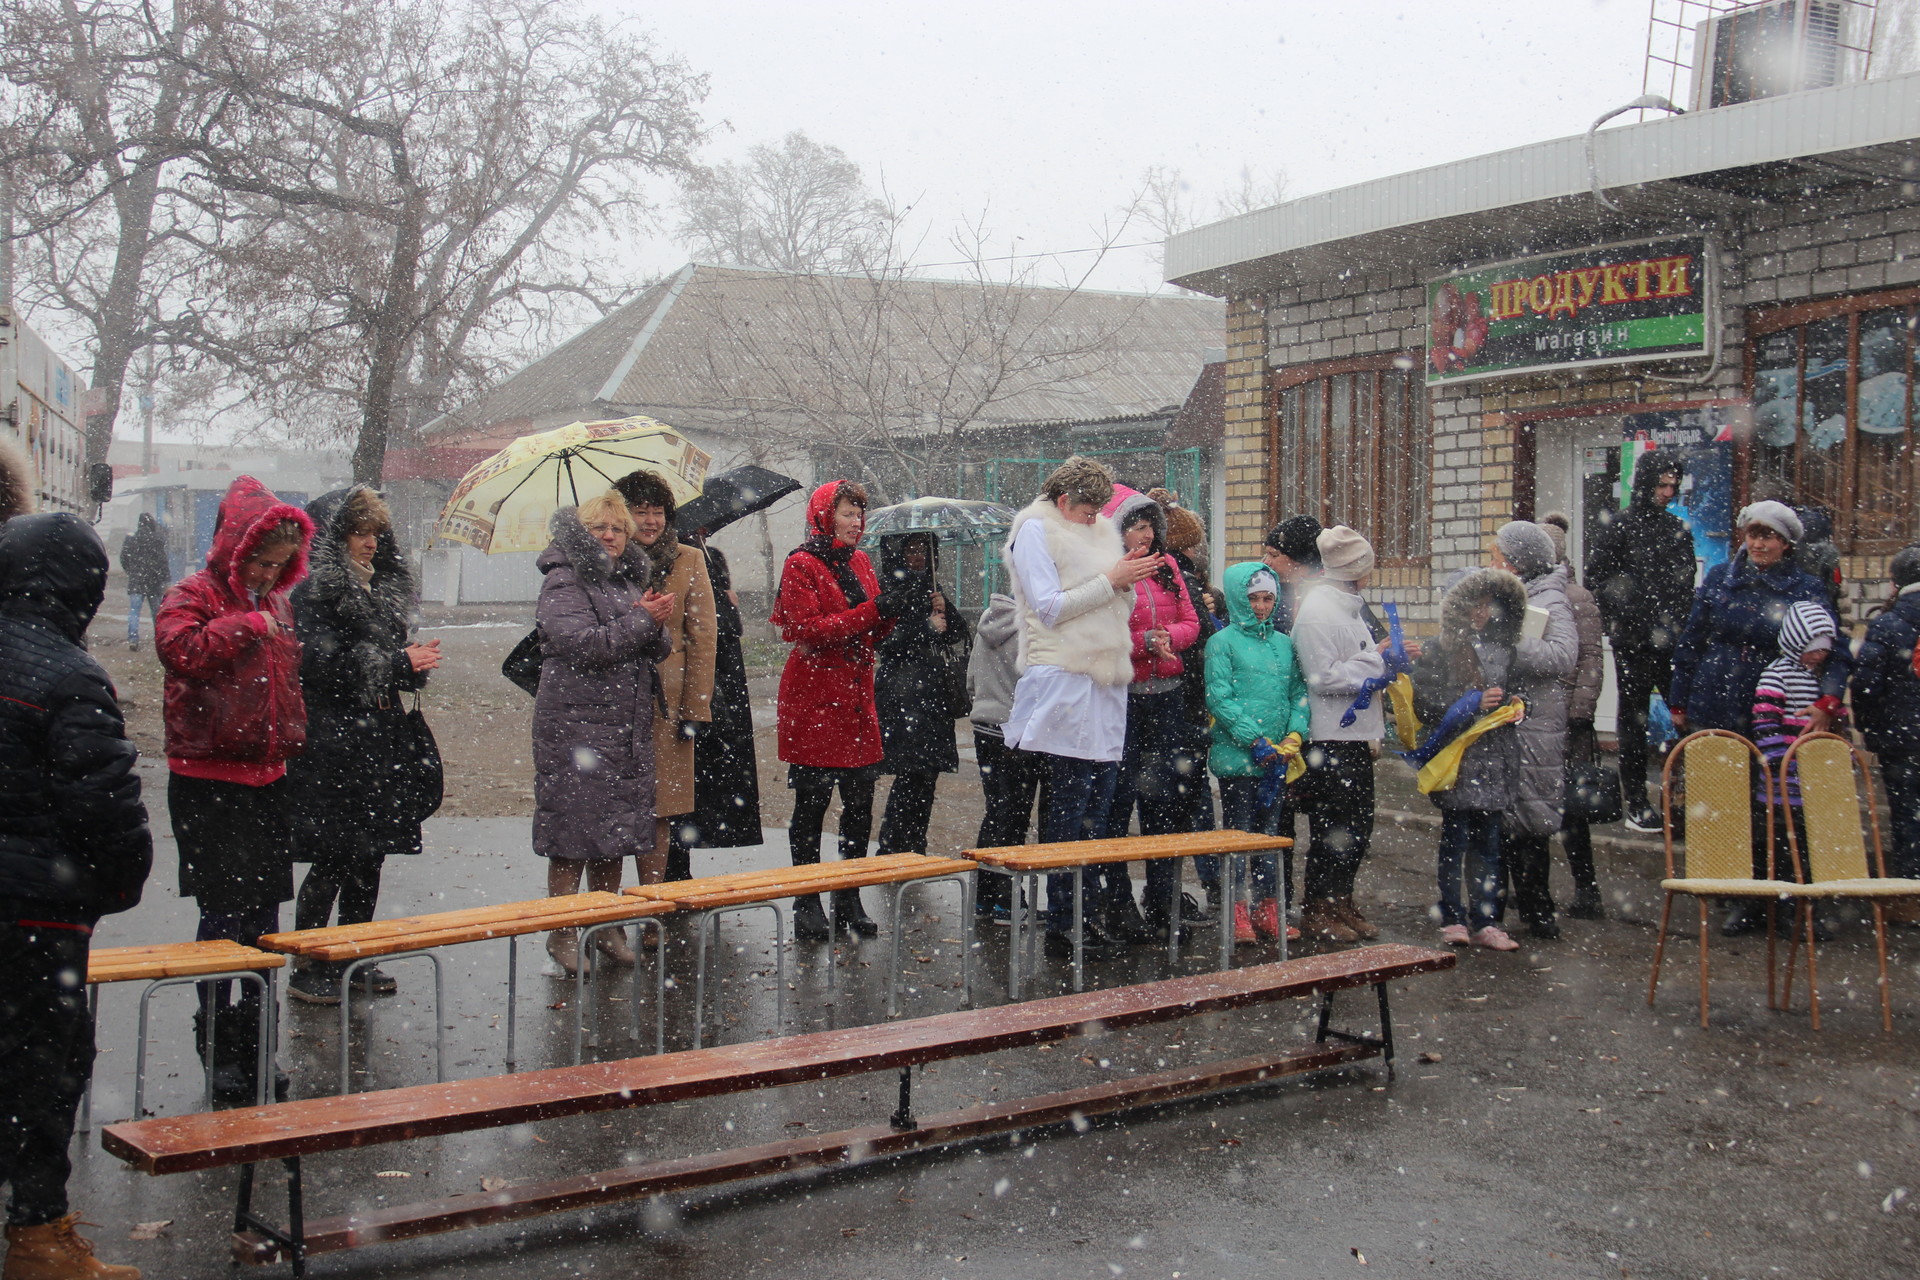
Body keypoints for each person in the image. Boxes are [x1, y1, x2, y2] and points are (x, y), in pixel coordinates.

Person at [0, 512, 152, 1280]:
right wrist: (117, 884)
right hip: (35, 913)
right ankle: (37, 1236)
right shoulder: (66, 674)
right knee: (44, 1071)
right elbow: (104, 804)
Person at [155, 475, 312, 1103]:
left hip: (268, 780)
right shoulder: (193, 593)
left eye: (279, 565)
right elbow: (180, 649)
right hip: (208, 785)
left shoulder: (279, 603)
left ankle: (257, 1043)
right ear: (232, 549)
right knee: (221, 921)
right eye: (259, 561)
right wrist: (245, 624)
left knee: (263, 922)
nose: (268, 575)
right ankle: (219, 1048)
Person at [285, 487, 442, 1005]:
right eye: (358, 531)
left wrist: (412, 662)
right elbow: (318, 665)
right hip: (334, 744)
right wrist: (399, 664)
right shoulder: (314, 593)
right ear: (334, 537)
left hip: (380, 740)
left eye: (376, 531)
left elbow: (377, 661)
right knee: (333, 855)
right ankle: (310, 960)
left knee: (370, 856)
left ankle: (356, 952)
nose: (370, 542)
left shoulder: (380, 590)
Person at [1002, 456, 1159, 962]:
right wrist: (1112, 579)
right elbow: (1048, 607)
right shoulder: (1034, 530)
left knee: (1102, 806)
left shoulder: (1101, 531)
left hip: (1106, 680)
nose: (1094, 522)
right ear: (1064, 501)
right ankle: (1063, 918)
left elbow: (1115, 605)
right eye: (1087, 512)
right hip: (1065, 678)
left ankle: (1091, 910)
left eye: (1099, 514)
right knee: (1069, 809)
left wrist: (1126, 583)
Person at [1668, 501, 1849, 935]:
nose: (1758, 543)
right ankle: (1743, 897)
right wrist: (1679, 698)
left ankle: (1791, 897)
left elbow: (1835, 650)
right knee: (1730, 801)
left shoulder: (1805, 588)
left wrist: (1828, 702)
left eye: (1768, 536)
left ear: (1786, 544)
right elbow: (1692, 639)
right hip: (1720, 695)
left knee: (1784, 803)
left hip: (1780, 702)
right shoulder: (1720, 580)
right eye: (1752, 534)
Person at [531, 494, 674, 974]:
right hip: (576, 724)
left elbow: (650, 647)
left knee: (616, 830)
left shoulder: (627, 578)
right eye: (599, 528)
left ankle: (606, 923)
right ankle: (563, 931)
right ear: (580, 533)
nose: (610, 536)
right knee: (573, 830)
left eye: (617, 527)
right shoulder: (563, 579)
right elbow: (582, 645)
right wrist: (640, 620)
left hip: (623, 723)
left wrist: (653, 622)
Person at [773, 480, 905, 943]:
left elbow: (870, 632)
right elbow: (808, 629)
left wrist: (894, 609)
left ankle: (849, 896)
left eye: (860, 514)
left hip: (855, 699)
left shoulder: (862, 561)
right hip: (815, 698)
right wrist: (874, 611)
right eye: (848, 513)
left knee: (860, 805)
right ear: (825, 516)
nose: (856, 523)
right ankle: (807, 898)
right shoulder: (800, 565)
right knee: (811, 805)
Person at [1099, 487, 1201, 942]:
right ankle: (1117, 902)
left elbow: (1191, 621)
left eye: (1150, 526)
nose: (1145, 534)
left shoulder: (1170, 567)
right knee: (1118, 801)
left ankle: (1164, 899)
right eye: (1136, 526)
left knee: (1165, 803)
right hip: (1127, 697)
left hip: (1169, 695)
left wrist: (1170, 639)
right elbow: (1105, 630)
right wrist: (1143, 644)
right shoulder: (1111, 573)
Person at [1410, 567, 1528, 952]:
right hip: (1458, 762)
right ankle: (1453, 917)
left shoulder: (1506, 648)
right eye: (1474, 606)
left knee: (1490, 846)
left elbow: (1523, 690)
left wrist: (1518, 706)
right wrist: (1470, 704)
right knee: (1455, 842)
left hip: (1495, 759)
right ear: (1458, 608)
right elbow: (1425, 704)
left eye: (1487, 605)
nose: (1481, 613)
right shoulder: (1439, 651)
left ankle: (1487, 919)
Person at [612, 470, 716, 882]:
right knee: (614, 807)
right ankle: (610, 914)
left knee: (662, 809)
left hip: (667, 706)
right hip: (614, 700)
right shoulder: (606, 562)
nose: (650, 521)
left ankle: (652, 903)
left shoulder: (688, 559)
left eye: (658, 512)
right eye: (640, 511)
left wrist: (695, 708)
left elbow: (703, 639)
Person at [1584, 450, 1695, 832]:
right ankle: (1636, 800)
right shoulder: (1619, 526)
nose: (1667, 492)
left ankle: (1685, 799)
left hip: (1673, 644)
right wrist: (1627, 617)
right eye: (1661, 485)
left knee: (1688, 718)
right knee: (1633, 721)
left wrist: (1680, 628)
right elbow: (1596, 580)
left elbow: (1685, 587)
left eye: (1672, 486)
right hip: (1633, 641)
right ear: (1645, 483)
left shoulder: (1676, 529)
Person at [1290, 526, 1388, 944]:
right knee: (1334, 828)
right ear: (1356, 570)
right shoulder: (1318, 610)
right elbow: (1322, 675)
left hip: (1354, 734)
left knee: (1357, 827)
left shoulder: (1349, 605)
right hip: (1329, 737)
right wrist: (1377, 662)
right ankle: (1318, 907)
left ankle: (1341, 900)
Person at [1206, 563, 1311, 945]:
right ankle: (1236, 910)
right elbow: (1220, 697)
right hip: (1241, 758)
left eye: (1268, 598)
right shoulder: (1223, 643)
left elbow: (1298, 692)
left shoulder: (1284, 644)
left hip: (1277, 758)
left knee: (1269, 835)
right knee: (1239, 835)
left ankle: (1268, 906)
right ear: (1238, 599)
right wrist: (1254, 740)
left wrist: (1295, 733)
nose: (1262, 606)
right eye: (1254, 599)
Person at [1489, 521, 1579, 940]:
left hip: (1536, 723)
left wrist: (1511, 639)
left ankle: (1538, 908)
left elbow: (1562, 657)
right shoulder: (1504, 594)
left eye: (1498, 555)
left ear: (1517, 561)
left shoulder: (1550, 601)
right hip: (1504, 717)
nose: (1492, 561)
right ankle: (1500, 905)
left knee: (1532, 816)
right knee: (1502, 811)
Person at [874, 532, 971, 857]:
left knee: (927, 773)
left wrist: (946, 611)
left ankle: (915, 842)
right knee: (910, 772)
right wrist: (926, 628)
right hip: (903, 695)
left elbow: (957, 634)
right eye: (912, 550)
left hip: (934, 694)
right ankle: (893, 844)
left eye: (924, 550)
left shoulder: (932, 588)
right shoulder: (890, 590)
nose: (918, 557)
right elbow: (884, 642)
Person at [671, 531, 762, 874]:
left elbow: (724, 629)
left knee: (706, 778)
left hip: (721, 678)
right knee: (684, 777)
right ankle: (674, 866)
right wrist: (721, 608)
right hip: (694, 682)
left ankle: (683, 860)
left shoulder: (712, 558)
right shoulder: (676, 559)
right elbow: (696, 623)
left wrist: (728, 606)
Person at [1542, 514, 1608, 919]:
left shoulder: (1577, 598)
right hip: (1532, 717)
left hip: (1568, 718)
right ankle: (1530, 889)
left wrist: (1580, 712)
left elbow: (1591, 660)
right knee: (1527, 804)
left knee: (1572, 807)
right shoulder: (1522, 594)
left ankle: (1587, 889)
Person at [966, 591, 1046, 921]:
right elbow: (1037, 684)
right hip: (1015, 731)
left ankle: (985, 896)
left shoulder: (986, 621)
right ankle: (1007, 899)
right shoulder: (1032, 628)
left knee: (997, 812)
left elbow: (970, 679)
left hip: (985, 726)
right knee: (1013, 817)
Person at [1851, 546, 1920, 924]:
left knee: (1907, 816)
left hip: (1903, 739)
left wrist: (1869, 726)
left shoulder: (1887, 625)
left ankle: (1910, 898)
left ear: (1895, 582)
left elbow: (1865, 686)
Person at [1261, 515, 1324, 636]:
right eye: (1266, 554)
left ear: (1298, 560)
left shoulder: (1333, 596)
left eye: (1274, 555)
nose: (1266, 562)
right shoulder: (1265, 593)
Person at [119, 513, 170, 648]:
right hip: (154, 580)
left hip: (137, 580)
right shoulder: (158, 538)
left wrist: (131, 572)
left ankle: (133, 639)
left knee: (134, 611)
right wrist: (165, 579)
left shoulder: (131, 539)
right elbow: (162, 561)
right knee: (157, 612)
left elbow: (123, 558)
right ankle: (160, 639)